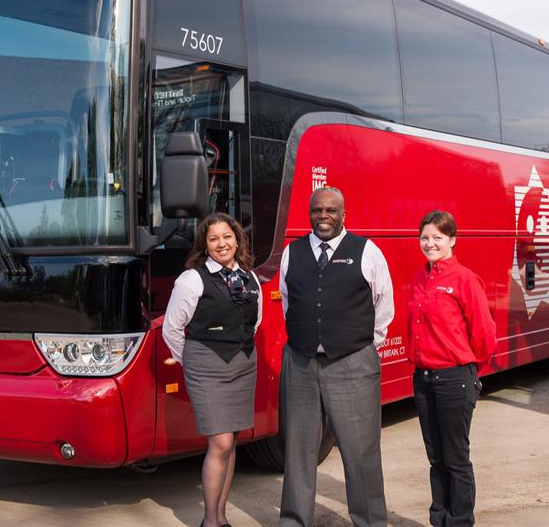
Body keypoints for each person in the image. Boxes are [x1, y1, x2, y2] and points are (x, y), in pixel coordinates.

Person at [279, 186, 395, 527]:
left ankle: (370, 522)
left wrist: (358, 346)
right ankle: (294, 521)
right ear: (309, 214)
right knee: (298, 450)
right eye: (317, 210)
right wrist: (308, 339)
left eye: (331, 210)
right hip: (300, 363)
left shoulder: (367, 250)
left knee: (361, 451)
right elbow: (289, 301)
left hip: (352, 362)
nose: (323, 216)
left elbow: (383, 306)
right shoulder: (292, 252)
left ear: (344, 214)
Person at [162, 212, 262, 527]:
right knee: (220, 443)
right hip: (207, 367)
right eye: (214, 238)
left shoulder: (250, 277)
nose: (222, 244)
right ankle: (209, 521)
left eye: (227, 236)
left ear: (237, 239)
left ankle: (221, 516)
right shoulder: (191, 279)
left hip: (243, 365)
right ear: (204, 245)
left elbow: (254, 321)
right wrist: (193, 361)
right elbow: (171, 329)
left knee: (231, 443)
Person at [408, 210, 496, 527]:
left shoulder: (464, 280)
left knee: (456, 458)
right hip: (424, 379)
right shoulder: (420, 279)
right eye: (425, 238)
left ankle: (459, 521)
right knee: (436, 458)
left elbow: (485, 336)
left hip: (454, 379)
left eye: (438, 238)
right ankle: (439, 519)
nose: (430, 244)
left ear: (452, 240)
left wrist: (466, 370)